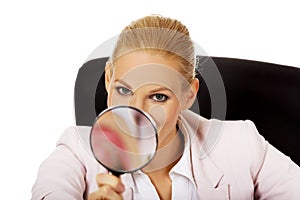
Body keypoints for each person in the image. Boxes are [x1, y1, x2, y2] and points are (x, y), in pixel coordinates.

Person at [32, 15, 300, 200]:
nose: (134, 114)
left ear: (188, 95)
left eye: (158, 97)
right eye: (124, 90)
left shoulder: (242, 143)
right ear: (108, 80)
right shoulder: (76, 151)